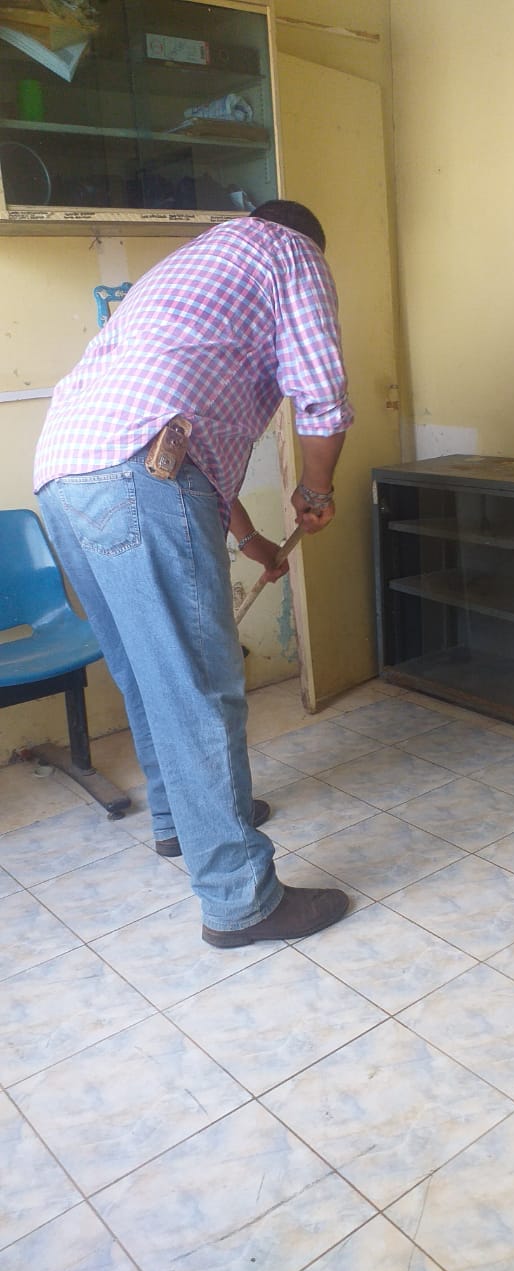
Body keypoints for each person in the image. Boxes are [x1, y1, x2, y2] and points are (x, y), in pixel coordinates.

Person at [33, 200, 353, 948]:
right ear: (305, 237)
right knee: (197, 685)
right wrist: (314, 491)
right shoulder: (287, 249)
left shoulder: (191, 266)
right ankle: (242, 900)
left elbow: (180, 446)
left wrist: (253, 542)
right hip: (137, 470)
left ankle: (184, 821)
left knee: (148, 673)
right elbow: (323, 395)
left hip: (65, 471)